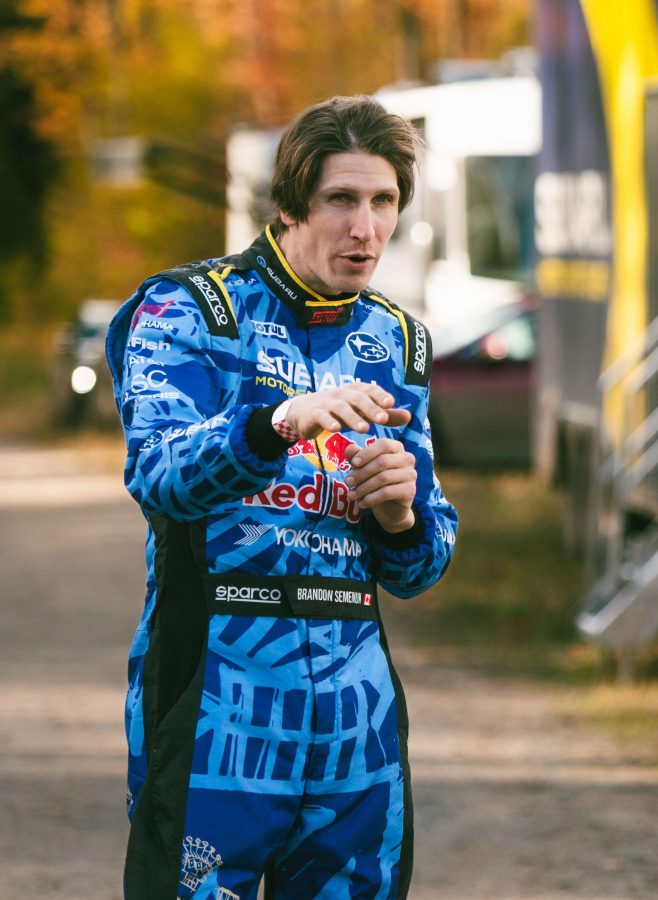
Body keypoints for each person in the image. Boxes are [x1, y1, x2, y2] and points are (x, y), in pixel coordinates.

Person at [106, 96, 458, 899]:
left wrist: (400, 515)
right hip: (216, 707)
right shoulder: (189, 308)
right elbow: (158, 475)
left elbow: (420, 567)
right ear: (292, 203)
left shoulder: (398, 340)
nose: (364, 228)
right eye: (341, 200)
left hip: (356, 730)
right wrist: (277, 423)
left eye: (383, 201)